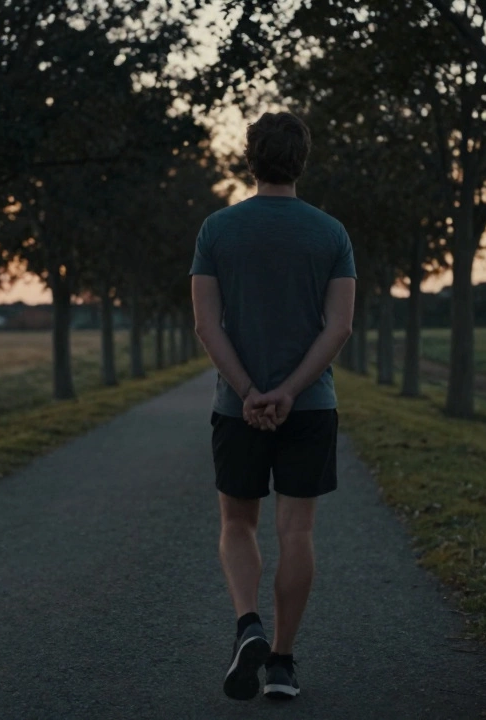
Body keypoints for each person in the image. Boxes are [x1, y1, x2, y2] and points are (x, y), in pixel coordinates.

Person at [189, 111, 356, 702]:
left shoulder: (217, 229)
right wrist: (290, 391)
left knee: (237, 522)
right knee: (297, 532)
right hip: (310, 408)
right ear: (301, 161)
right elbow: (339, 327)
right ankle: (282, 666)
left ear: (251, 159)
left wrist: (250, 391)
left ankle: (247, 625)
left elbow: (207, 325)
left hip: (238, 409)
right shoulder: (331, 234)